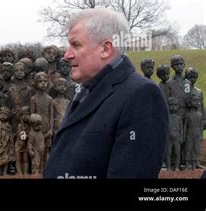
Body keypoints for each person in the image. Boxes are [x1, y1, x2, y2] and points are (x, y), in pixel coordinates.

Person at [44, 8, 169, 179]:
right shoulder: (86, 90)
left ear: (105, 48)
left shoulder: (141, 96)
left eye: (76, 45)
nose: (66, 55)